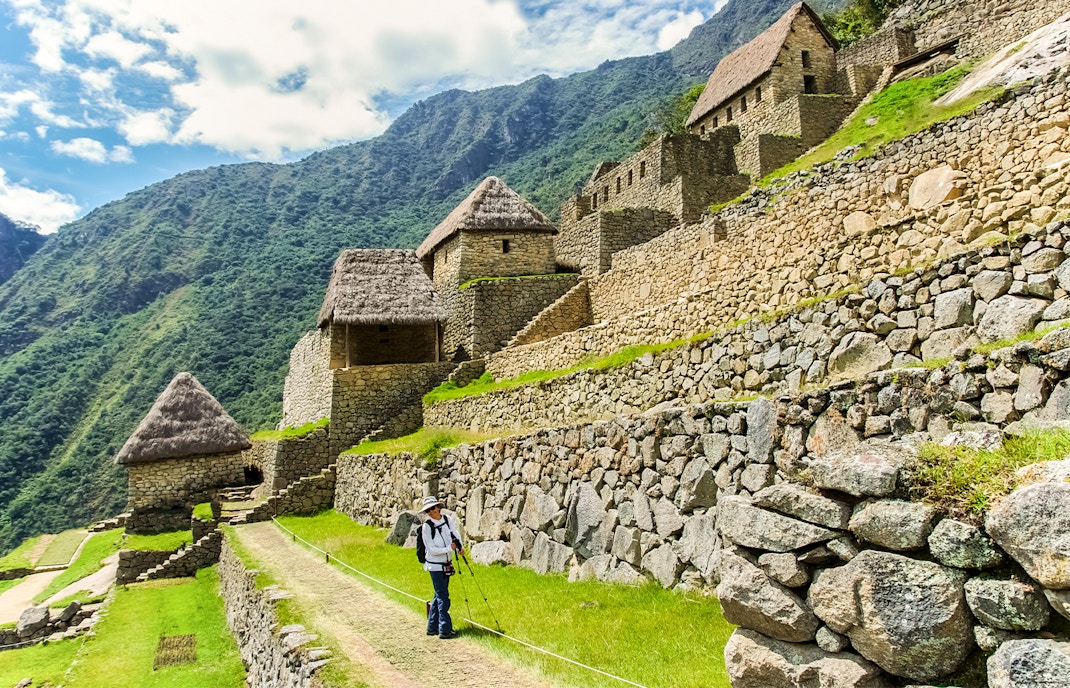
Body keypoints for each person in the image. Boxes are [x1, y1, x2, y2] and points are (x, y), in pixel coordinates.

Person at [419, 495, 463, 639]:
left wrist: (458, 548)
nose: (431, 512)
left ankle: (432, 627)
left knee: (439, 595)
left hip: (446, 564)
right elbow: (431, 549)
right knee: (443, 596)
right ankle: (445, 629)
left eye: (433, 508)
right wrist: (448, 549)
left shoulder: (447, 520)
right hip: (435, 566)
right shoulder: (427, 526)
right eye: (428, 510)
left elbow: (455, 534)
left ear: (438, 507)